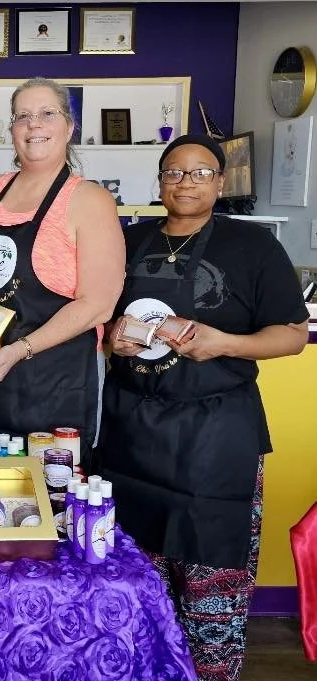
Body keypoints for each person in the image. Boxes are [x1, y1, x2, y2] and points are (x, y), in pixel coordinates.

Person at [96, 134, 308, 681]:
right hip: (131, 432)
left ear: (220, 181)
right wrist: (111, 339)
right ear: (159, 181)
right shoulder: (128, 241)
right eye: (174, 172)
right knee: (135, 577)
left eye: (200, 172)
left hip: (215, 434)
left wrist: (224, 344)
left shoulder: (253, 247)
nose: (185, 182)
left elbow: (292, 335)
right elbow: (97, 317)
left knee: (210, 579)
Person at [0, 78, 124, 459]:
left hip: (54, 387)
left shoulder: (89, 200)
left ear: (69, 127)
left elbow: (98, 305)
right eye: (22, 116)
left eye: (47, 114)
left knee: (49, 492)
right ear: (12, 128)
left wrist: (19, 350)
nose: (34, 125)